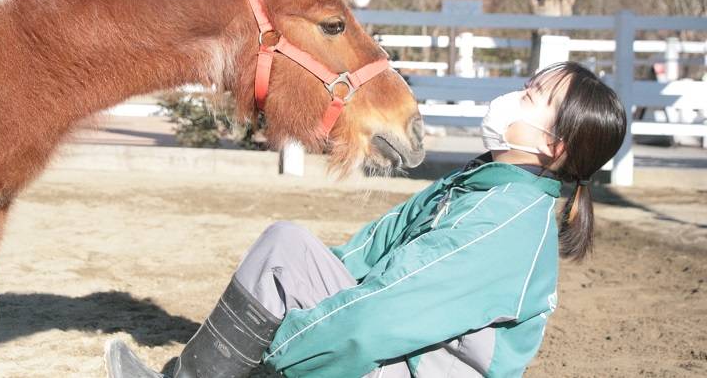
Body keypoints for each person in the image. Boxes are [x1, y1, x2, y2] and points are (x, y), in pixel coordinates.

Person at [104, 61, 627, 378]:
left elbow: (386, 312)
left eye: (532, 97)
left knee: (289, 263)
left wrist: (280, 351)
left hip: (412, 365)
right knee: (288, 249)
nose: (514, 96)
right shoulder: (483, 184)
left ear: (550, 146)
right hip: (402, 358)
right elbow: (371, 250)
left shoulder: (502, 221)